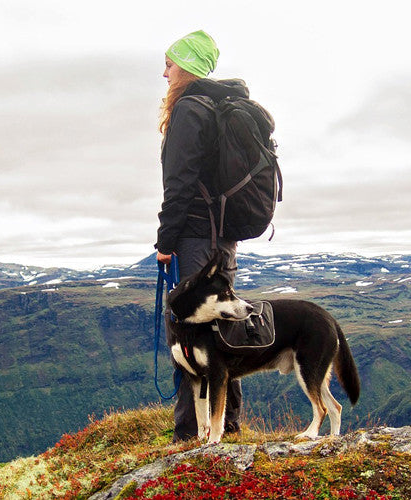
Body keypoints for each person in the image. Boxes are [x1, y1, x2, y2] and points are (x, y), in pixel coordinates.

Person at [155, 30, 248, 442]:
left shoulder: (189, 109)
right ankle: (226, 424)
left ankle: (189, 432)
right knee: (221, 327)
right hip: (222, 237)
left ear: (188, 67)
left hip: (195, 236)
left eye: (170, 64)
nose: (165, 72)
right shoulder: (217, 107)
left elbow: (179, 184)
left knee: (190, 330)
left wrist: (165, 241)